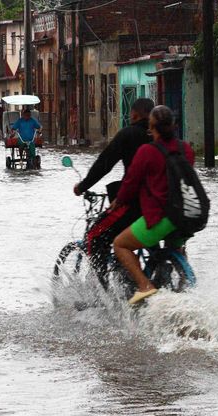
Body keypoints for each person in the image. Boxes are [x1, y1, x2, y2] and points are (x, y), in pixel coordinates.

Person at [112, 105, 195, 305]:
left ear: (151, 127)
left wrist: (118, 201)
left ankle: (145, 285)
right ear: (174, 126)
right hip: (189, 216)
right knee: (173, 245)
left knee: (120, 244)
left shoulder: (147, 151)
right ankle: (182, 284)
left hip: (163, 217)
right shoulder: (186, 149)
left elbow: (131, 183)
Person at [73, 98, 155, 283]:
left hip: (135, 204)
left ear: (133, 115)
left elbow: (105, 163)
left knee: (94, 235)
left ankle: (102, 292)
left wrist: (83, 186)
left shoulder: (129, 134)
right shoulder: (163, 138)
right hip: (162, 206)